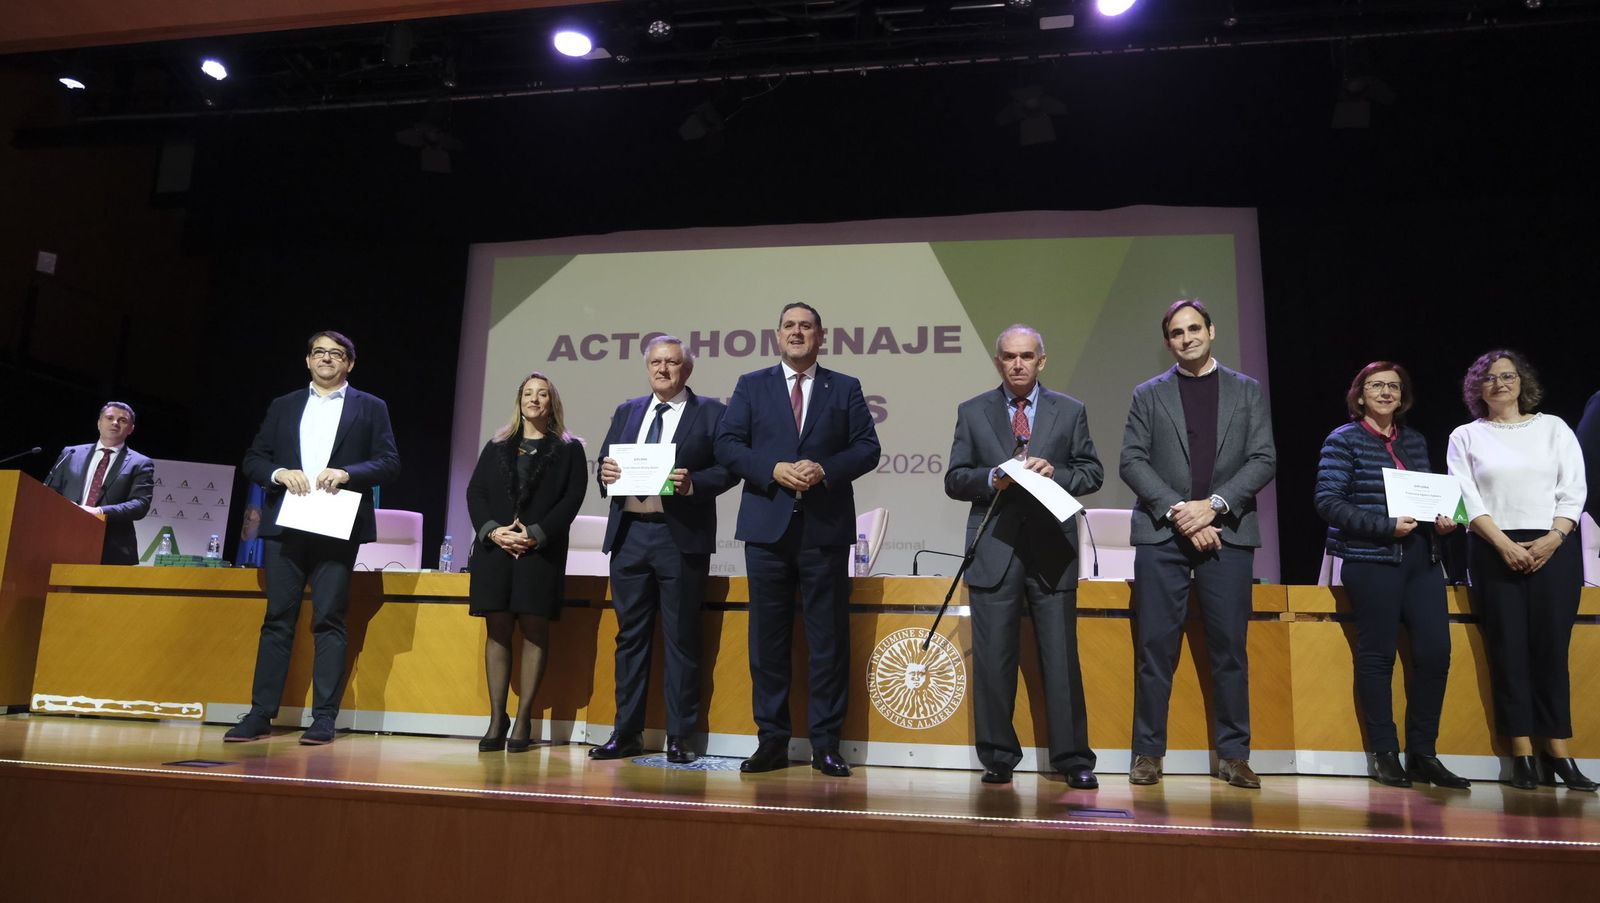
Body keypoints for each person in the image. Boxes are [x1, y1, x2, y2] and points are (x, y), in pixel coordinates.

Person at [715, 301, 881, 777]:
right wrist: (771, 469)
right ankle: (771, 741)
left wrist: (825, 468)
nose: (797, 332)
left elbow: (867, 448)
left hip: (824, 530)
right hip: (767, 530)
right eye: (789, 325)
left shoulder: (844, 387)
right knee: (767, 643)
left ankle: (826, 744)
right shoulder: (752, 385)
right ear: (777, 335)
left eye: (806, 326)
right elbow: (728, 445)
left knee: (827, 642)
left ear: (820, 337)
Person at [1119, 299, 1276, 788]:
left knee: (1229, 648)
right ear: (1168, 342)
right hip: (1163, 532)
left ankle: (1234, 754)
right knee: (1154, 648)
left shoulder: (1246, 391)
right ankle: (1147, 753)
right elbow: (1132, 461)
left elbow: (1264, 458)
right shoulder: (1149, 394)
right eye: (1176, 333)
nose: (1186, 338)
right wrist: (1182, 513)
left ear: (1212, 330)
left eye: (1194, 328)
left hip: (1228, 531)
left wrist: (1216, 505)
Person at [945, 325, 1103, 788]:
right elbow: (954, 479)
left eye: (1027, 356)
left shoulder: (1069, 410)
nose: (1018, 364)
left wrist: (1056, 473)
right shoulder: (973, 411)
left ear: (1042, 361)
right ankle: (997, 757)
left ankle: (1073, 759)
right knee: (993, 659)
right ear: (998, 362)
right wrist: (991, 477)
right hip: (994, 547)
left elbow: (1091, 471)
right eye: (1009, 357)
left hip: (1053, 548)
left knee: (1060, 658)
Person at [226, 331, 401, 745]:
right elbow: (254, 458)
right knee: (277, 621)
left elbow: (390, 462)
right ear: (307, 360)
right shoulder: (284, 405)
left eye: (335, 354)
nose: (326, 359)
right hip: (287, 523)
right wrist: (278, 473)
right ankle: (259, 714)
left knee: (330, 620)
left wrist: (347, 473)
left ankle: (324, 718)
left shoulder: (371, 407)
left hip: (336, 526)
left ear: (349, 363)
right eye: (319, 353)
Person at [1313, 362, 1470, 789]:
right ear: (1360, 395)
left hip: (1423, 558)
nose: (1386, 393)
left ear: (1402, 396)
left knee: (1436, 654)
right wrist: (1385, 526)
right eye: (1376, 386)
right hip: (1371, 559)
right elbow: (1327, 501)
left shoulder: (1415, 441)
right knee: (1377, 656)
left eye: (1393, 387)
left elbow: (1433, 495)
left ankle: (1424, 753)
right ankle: (1384, 753)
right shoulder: (1342, 440)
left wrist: (1446, 521)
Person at [1446, 350, 1593, 791]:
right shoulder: (1465, 436)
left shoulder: (1554, 428)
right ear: (1478, 389)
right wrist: (1505, 545)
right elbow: (1465, 497)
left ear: (1522, 382)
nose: (1500, 383)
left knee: (1552, 650)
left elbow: (1574, 489)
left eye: (1507, 376)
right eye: (1489, 378)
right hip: (1493, 547)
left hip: (1555, 547)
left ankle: (1559, 751)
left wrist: (1554, 538)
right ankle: (1522, 752)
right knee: (1507, 650)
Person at [592, 336, 735, 764]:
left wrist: (695, 484)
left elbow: (729, 469)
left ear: (686, 370)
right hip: (630, 535)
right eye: (656, 362)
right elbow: (604, 463)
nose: (663, 369)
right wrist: (605, 470)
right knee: (629, 638)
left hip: (680, 536)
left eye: (672, 363)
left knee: (681, 638)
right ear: (647, 367)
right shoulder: (627, 411)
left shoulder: (712, 412)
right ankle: (627, 732)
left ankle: (680, 736)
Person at [466, 371, 588, 752]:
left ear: (552, 403)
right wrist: (492, 531)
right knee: (498, 629)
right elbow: (476, 492)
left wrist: (534, 533)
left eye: (542, 394)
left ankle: (523, 719)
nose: (534, 399)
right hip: (495, 550)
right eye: (527, 393)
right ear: (518, 400)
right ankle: (496, 718)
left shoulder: (570, 448)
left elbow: (572, 499)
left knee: (535, 629)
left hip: (541, 552)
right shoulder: (497, 444)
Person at [44, 402, 154, 565]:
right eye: (109, 418)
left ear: (131, 429)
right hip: (63, 538)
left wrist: (99, 511)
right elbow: (49, 493)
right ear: (99, 423)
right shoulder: (71, 453)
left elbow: (140, 504)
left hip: (112, 547)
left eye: (122, 420)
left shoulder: (140, 462)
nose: (115, 423)